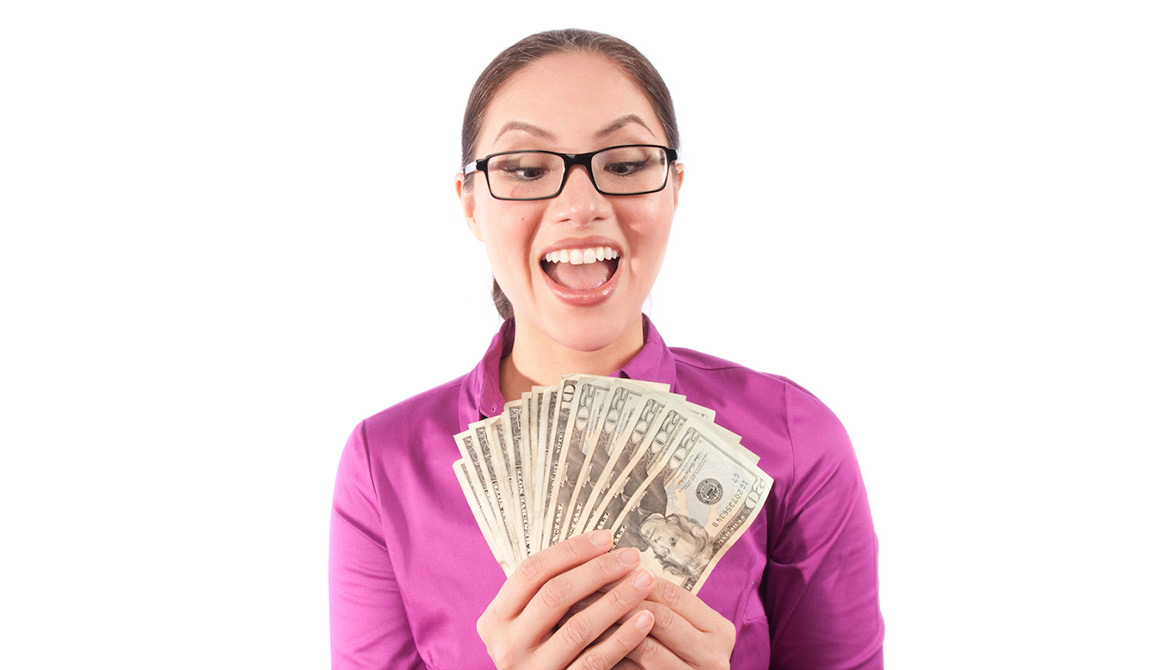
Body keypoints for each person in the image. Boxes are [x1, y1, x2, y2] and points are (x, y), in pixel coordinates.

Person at [330, 28, 884, 669]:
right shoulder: (384, 465)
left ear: (674, 187)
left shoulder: (796, 437)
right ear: (471, 203)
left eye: (624, 165)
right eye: (526, 169)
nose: (581, 204)